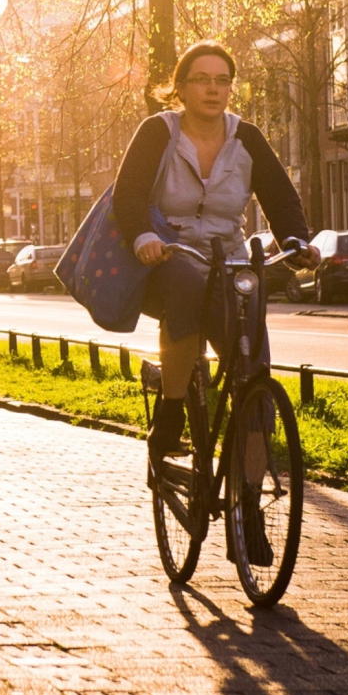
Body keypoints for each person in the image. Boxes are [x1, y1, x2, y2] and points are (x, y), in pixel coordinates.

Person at [112, 41, 317, 559]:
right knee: (183, 282)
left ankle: (248, 504)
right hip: (170, 250)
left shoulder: (246, 137)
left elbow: (280, 197)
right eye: (201, 79)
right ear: (179, 87)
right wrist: (142, 237)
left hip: (229, 256)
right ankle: (174, 409)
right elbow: (128, 194)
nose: (213, 88)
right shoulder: (158, 132)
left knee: (254, 368)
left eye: (222, 79)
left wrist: (296, 241)